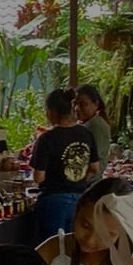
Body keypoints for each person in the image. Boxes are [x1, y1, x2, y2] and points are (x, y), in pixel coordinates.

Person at [31, 88, 96, 240]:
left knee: (53, 248)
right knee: (72, 246)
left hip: (54, 203)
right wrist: (76, 180)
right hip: (80, 199)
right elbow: (95, 168)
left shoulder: (47, 138)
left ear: (52, 111)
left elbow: (39, 177)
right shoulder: (86, 134)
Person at [72, 83, 112, 170]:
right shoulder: (84, 124)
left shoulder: (96, 126)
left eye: (82, 104)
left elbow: (90, 161)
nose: (76, 108)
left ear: (96, 104)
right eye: (75, 104)